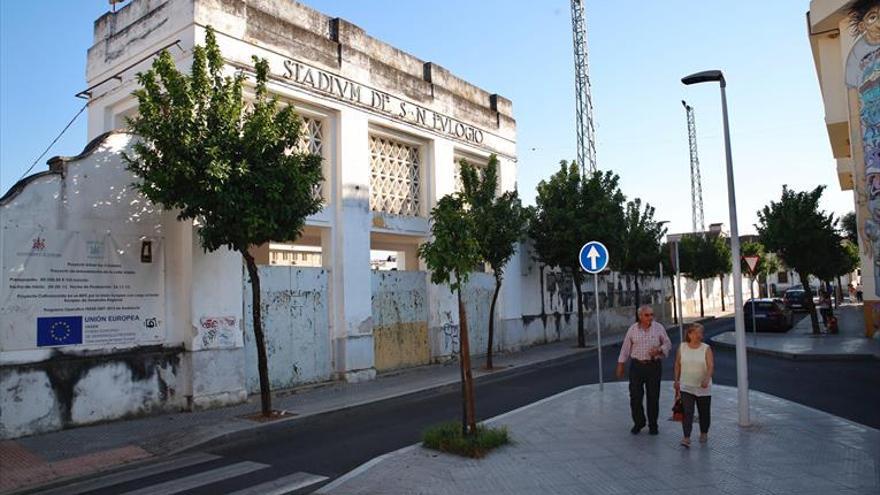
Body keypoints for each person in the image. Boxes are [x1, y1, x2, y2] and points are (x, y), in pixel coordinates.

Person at [616, 305, 672, 435]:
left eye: (652, 315)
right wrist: (620, 364)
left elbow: (667, 343)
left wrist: (659, 350)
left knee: (653, 396)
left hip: (653, 366)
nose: (650, 318)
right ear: (640, 316)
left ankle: (653, 424)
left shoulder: (658, 328)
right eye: (647, 315)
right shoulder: (632, 330)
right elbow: (625, 348)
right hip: (637, 366)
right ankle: (639, 422)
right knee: (635, 396)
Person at [673, 323, 714, 448]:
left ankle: (704, 432)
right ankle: (686, 437)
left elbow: (711, 365)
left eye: (700, 333)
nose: (698, 335)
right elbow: (677, 364)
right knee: (687, 412)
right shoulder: (682, 347)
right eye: (695, 333)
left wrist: (707, 378)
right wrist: (676, 380)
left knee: (704, 412)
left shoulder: (706, 348)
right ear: (689, 334)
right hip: (686, 385)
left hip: (703, 387)